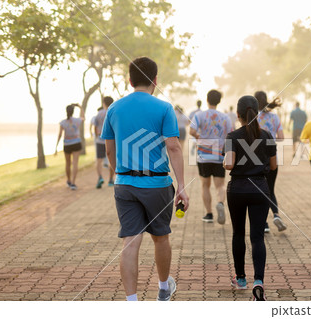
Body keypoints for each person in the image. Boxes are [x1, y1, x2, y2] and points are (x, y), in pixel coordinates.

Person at [101, 57, 189, 301]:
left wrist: (120, 174)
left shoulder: (114, 109)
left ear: (130, 80)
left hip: (125, 184)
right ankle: (163, 288)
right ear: (155, 80)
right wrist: (181, 186)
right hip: (157, 184)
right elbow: (173, 147)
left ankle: (132, 302)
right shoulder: (163, 108)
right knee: (160, 237)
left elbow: (109, 150)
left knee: (130, 241)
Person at [224, 95, 276, 301]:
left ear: (238, 114)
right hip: (260, 189)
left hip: (237, 189)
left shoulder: (232, 136)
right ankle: (258, 282)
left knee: (238, 234)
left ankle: (241, 279)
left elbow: (229, 164)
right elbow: (273, 166)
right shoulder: (267, 135)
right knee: (257, 237)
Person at [190, 90, 232, 224]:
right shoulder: (225, 117)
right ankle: (220, 202)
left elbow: (192, 131)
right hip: (219, 155)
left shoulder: (199, 115)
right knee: (220, 185)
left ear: (207, 100)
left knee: (205, 185)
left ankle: (209, 214)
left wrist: (199, 137)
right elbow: (230, 135)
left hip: (203, 155)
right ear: (219, 101)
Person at [254, 91, 286, 233]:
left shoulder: (252, 118)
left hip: (256, 160)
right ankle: (276, 215)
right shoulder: (274, 117)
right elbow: (281, 137)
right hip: (273, 158)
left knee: (259, 191)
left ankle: (264, 223)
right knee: (270, 190)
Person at [55, 103, 85, 190]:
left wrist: (56, 147)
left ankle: (68, 180)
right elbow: (84, 118)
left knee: (68, 163)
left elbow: (60, 135)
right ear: (73, 111)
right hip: (76, 143)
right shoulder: (77, 120)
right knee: (75, 163)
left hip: (67, 145)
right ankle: (73, 182)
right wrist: (80, 107)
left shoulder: (63, 122)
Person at [95, 97, 115, 188]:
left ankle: (100, 178)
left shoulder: (98, 114)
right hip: (111, 140)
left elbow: (95, 128)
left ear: (104, 103)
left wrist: (97, 136)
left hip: (100, 140)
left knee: (99, 161)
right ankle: (111, 180)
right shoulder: (114, 112)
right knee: (112, 158)